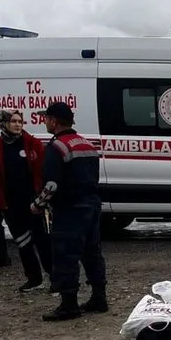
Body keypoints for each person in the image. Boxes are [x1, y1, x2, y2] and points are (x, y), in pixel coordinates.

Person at [30, 102, 107, 321]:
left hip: (69, 210)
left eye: (46, 118)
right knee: (92, 253)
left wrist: (37, 205)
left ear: (54, 121)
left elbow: (51, 185)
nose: (45, 122)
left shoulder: (57, 147)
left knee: (65, 256)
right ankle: (99, 297)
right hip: (91, 205)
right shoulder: (86, 144)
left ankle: (69, 304)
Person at [0, 110, 53, 291]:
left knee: (42, 241)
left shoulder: (32, 143)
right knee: (23, 242)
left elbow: (42, 171)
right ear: (3, 124)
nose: (17, 124)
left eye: (19, 121)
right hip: (10, 203)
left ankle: (56, 278)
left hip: (33, 202)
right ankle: (34, 279)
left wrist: (43, 197)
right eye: (13, 121)